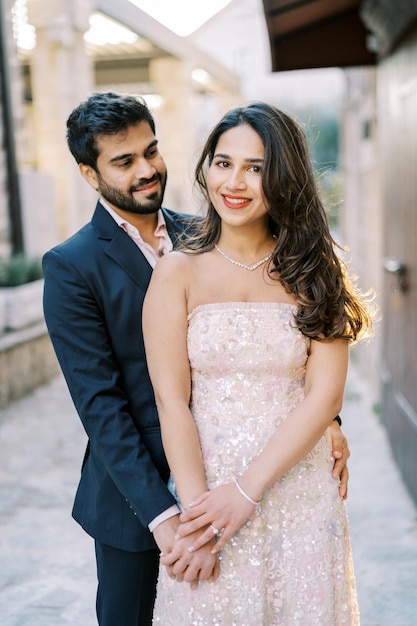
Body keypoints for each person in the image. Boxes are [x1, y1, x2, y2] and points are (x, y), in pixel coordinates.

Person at [42, 92, 350, 626]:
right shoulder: (73, 266)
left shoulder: (207, 230)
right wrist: (177, 522)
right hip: (142, 500)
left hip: (277, 482)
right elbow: (102, 406)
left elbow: (297, 362)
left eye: (152, 151)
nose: (146, 170)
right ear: (90, 175)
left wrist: (328, 421)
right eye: (124, 161)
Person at [143, 102, 374, 625]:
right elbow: (171, 402)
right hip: (208, 489)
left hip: (301, 491)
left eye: (256, 167)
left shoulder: (318, 268)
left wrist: (246, 494)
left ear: (284, 177)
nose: (237, 182)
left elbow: (325, 398)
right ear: (206, 168)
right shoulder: (176, 273)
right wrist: (204, 524)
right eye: (224, 163)